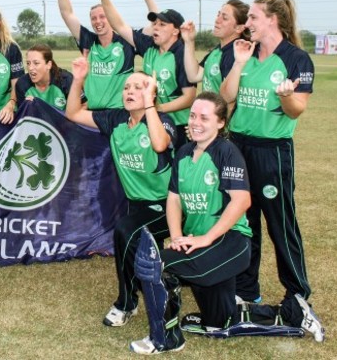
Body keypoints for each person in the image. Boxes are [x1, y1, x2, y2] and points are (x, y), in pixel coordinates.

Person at [129, 92, 324, 355]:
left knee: (155, 265)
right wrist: (176, 236)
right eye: (193, 115)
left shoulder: (226, 152)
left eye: (205, 118)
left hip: (230, 244)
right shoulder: (184, 152)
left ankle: (166, 337)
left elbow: (242, 201)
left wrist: (206, 238)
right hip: (200, 245)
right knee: (219, 322)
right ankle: (294, 313)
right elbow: (173, 200)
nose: (196, 122)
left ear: (220, 123)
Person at [220, 0, 317, 310]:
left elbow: (295, 110)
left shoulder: (296, 59)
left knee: (280, 223)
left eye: (253, 18)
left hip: (271, 151)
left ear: (272, 20)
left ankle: (297, 294)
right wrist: (238, 63)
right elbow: (226, 97)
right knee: (243, 221)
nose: (247, 25)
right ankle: (247, 290)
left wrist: (286, 96)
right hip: (238, 148)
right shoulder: (245, 54)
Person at [66, 57, 175, 328]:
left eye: (139, 87)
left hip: (168, 205)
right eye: (127, 87)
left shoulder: (163, 120)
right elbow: (73, 114)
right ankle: (154, 289)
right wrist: (78, 79)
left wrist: (149, 104)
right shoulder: (115, 118)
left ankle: (126, 303)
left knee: (125, 233)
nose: (129, 91)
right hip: (136, 203)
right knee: (135, 240)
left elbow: (160, 145)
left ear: (151, 93)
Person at [91, 0, 196, 148]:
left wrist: (157, 109)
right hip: (151, 119)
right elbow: (119, 25)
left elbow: (189, 97)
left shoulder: (182, 55)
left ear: (176, 31)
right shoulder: (149, 47)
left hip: (177, 126)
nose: (156, 27)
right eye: (155, 24)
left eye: (162, 25)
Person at [55, 0, 157, 110]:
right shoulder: (88, 41)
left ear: (110, 17)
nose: (98, 21)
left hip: (118, 113)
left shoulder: (126, 41)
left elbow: (155, 26)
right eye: (94, 18)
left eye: (102, 16)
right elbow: (67, 13)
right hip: (92, 114)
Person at [180, 0, 250, 93]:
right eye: (218, 15)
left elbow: (230, 97)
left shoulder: (237, 55)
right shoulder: (217, 51)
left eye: (224, 18)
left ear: (239, 28)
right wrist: (189, 41)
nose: (217, 20)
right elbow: (194, 76)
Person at [15, 44, 74, 111]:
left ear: (48, 65)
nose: (30, 68)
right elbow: (22, 115)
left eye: (36, 63)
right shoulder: (22, 84)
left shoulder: (66, 80)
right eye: (28, 63)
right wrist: (27, 107)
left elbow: (82, 106)